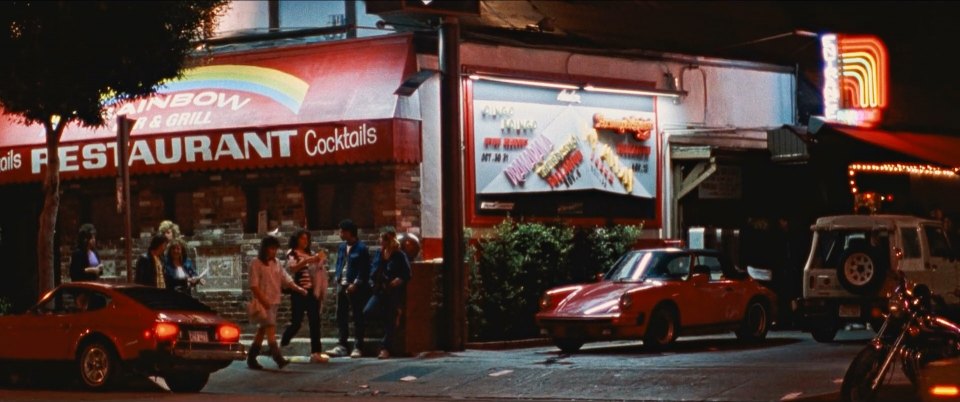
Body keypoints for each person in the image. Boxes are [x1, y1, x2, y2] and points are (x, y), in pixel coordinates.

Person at [247, 236, 308, 370]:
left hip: (274, 300)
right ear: (265, 249)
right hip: (264, 301)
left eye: (275, 249)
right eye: (271, 248)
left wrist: (298, 289)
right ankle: (277, 357)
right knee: (270, 329)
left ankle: (251, 357)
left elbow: (285, 278)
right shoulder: (256, 263)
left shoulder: (276, 263)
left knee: (262, 330)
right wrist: (263, 300)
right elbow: (253, 285)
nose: (274, 251)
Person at [280, 230, 330, 363]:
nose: (305, 241)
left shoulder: (310, 253)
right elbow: (293, 268)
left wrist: (318, 261)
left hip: (311, 291)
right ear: (297, 240)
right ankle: (283, 342)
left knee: (315, 322)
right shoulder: (292, 253)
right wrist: (307, 260)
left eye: (306, 239)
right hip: (298, 292)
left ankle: (316, 352)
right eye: (302, 239)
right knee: (297, 322)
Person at [327, 219, 372, 358]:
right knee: (341, 315)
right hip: (343, 285)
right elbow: (340, 262)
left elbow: (364, 269)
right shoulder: (342, 247)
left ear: (349, 232)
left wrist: (356, 283)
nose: (340, 234)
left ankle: (358, 346)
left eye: (342, 231)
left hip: (356, 287)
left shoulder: (361, 248)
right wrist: (337, 276)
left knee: (357, 316)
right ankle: (342, 345)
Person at [364, 229, 412, 359]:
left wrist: (399, 279)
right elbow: (373, 270)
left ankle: (385, 348)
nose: (381, 241)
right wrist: (373, 281)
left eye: (383, 239)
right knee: (368, 311)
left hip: (392, 290)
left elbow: (407, 273)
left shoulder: (399, 255)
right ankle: (394, 314)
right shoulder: (379, 254)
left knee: (390, 320)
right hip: (380, 289)